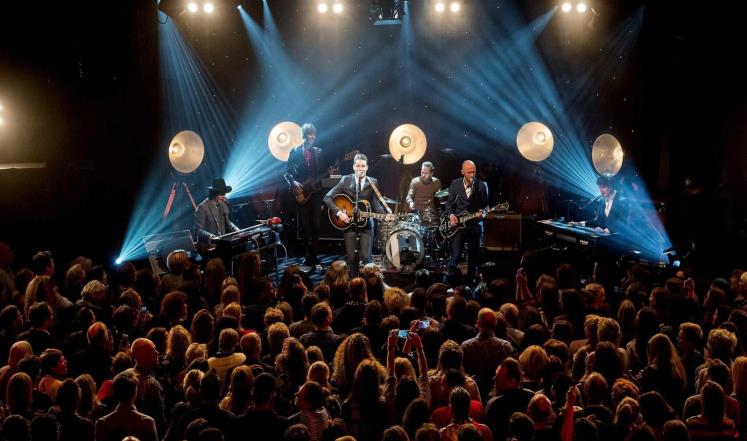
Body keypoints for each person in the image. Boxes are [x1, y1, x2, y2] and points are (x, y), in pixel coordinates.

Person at [323, 153, 387, 276]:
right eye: (358, 166)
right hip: (350, 226)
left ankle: (369, 284)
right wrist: (339, 213)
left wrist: (385, 215)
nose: (360, 169)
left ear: (367, 167)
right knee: (352, 259)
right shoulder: (345, 180)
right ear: (353, 167)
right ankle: (353, 284)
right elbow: (327, 198)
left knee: (367, 258)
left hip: (367, 225)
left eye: (363, 166)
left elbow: (376, 203)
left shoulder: (373, 182)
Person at [284, 123, 326, 266]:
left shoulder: (318, 152)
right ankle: (307, 254)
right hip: (301, 193)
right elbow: (286, 172)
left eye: (314, 134)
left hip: (316, 192)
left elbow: (323, 172)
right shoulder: (295, 151)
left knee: (316, 225)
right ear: (304, 135)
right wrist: (293, 182)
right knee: (305, 226)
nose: (312, 137)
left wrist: (330, 171)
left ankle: (314, 255)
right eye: (309, 134)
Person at [444, 160, 488, 288]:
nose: (472, 175)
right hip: (459, 226)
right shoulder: (455, 184)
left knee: (473, 257)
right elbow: (449, 204)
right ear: (462, 172)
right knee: (456, 255)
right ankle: (447, 282)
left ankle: (470, 285)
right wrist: (451, 215)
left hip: (475, 225)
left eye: (474, 172)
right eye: (469, 172)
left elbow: (485, 206)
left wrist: (482, 213)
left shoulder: (481, 185)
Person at [194, 178, 240, 251]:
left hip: (223, 244)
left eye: (225, 193)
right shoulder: (202, 207)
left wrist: (236, 229)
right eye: (222, 194)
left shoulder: (223, 204)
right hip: (208, 246)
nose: (224, 196)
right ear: (214, 194)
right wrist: (211, 236)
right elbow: (197, 229)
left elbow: (227, 221)